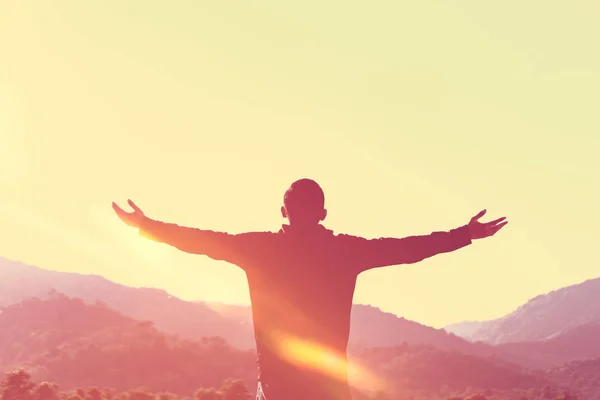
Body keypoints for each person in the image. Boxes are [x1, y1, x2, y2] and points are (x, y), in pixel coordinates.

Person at [112, 178, 507, 400]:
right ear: (322, 213)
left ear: (283, 211)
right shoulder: (344, 250)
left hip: (279, 388)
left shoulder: (260, 248)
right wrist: (464, 234)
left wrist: (147, 226)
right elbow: (407, 250)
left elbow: (200, 240)